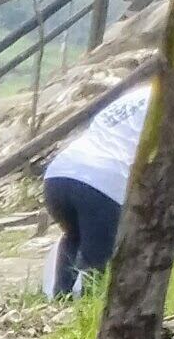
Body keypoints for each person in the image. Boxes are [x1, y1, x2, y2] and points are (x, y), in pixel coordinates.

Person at [47, 82, 155, 299]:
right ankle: (90, 306)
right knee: (99, 254)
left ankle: (60, 300)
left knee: (74, 236)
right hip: (102, 178)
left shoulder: (135, 95)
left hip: (58, 173)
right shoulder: (170, 101)